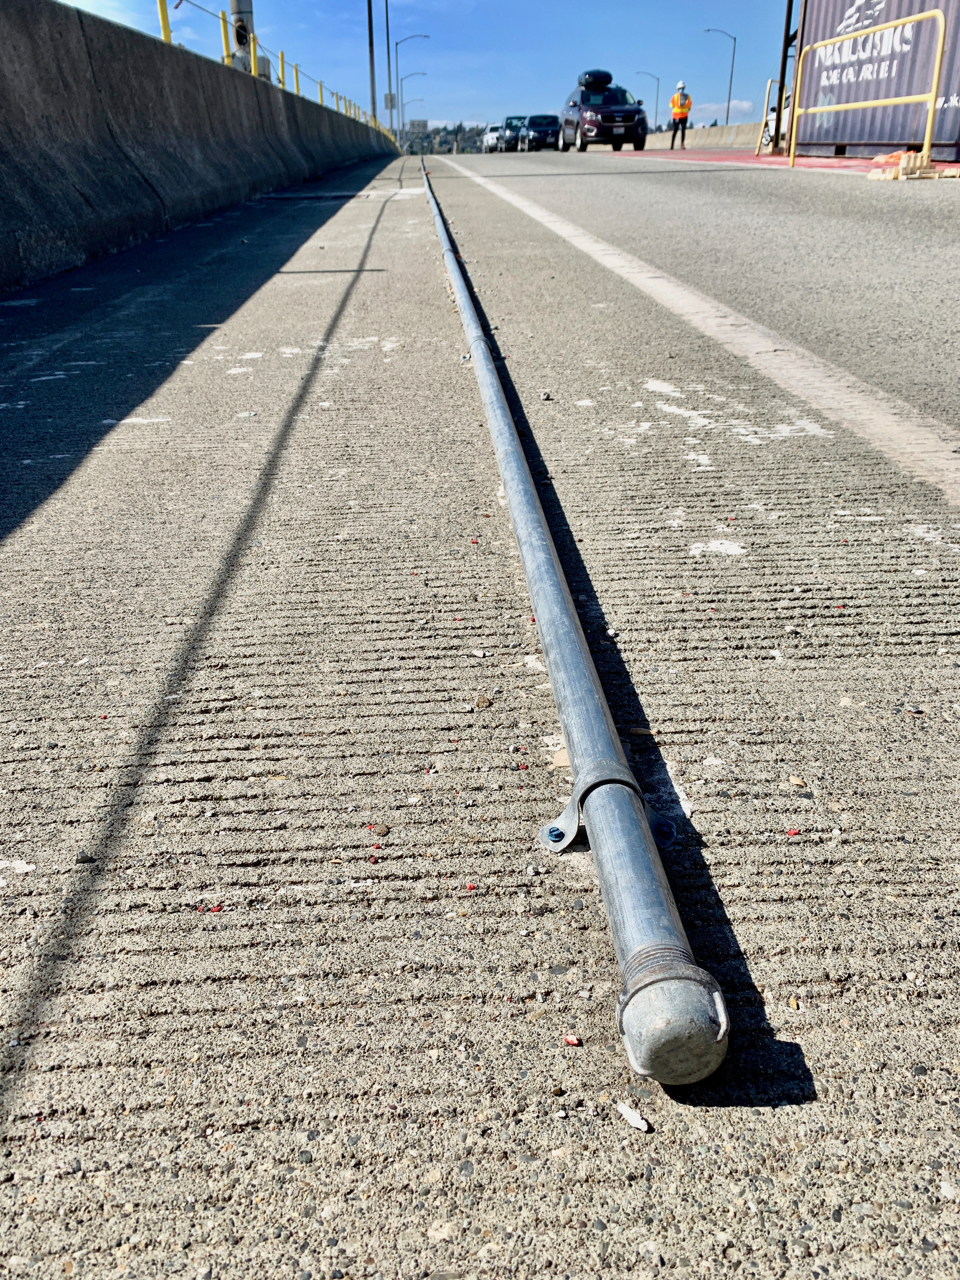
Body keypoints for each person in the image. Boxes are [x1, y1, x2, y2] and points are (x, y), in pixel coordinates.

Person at [670, 81, 692, 150]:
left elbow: (689, 105)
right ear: (678, 89)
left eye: (682, 88)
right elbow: (672, 105)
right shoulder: (674, 97)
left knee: (683, 130)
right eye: (680, 88)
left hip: (684, 116)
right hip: (676, 116)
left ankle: (682, 144)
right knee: (675, 130)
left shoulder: (688, 96)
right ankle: (672, 145)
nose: (681, 89)